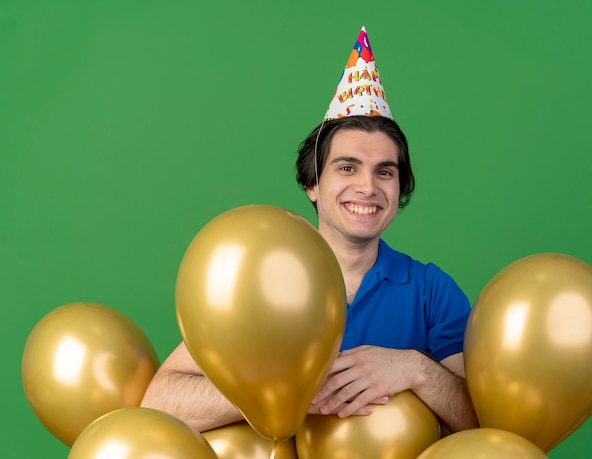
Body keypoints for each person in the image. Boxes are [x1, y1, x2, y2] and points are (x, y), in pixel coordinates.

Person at [141, 26, 478, 434]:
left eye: (384, 172)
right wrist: (285, 389)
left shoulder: (431, 292)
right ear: (313, 183)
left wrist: (415, 369)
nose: (367, 187)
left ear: (399, 188)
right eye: (347, 167)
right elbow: (159, 403)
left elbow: (482, 425)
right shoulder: (261, 279)